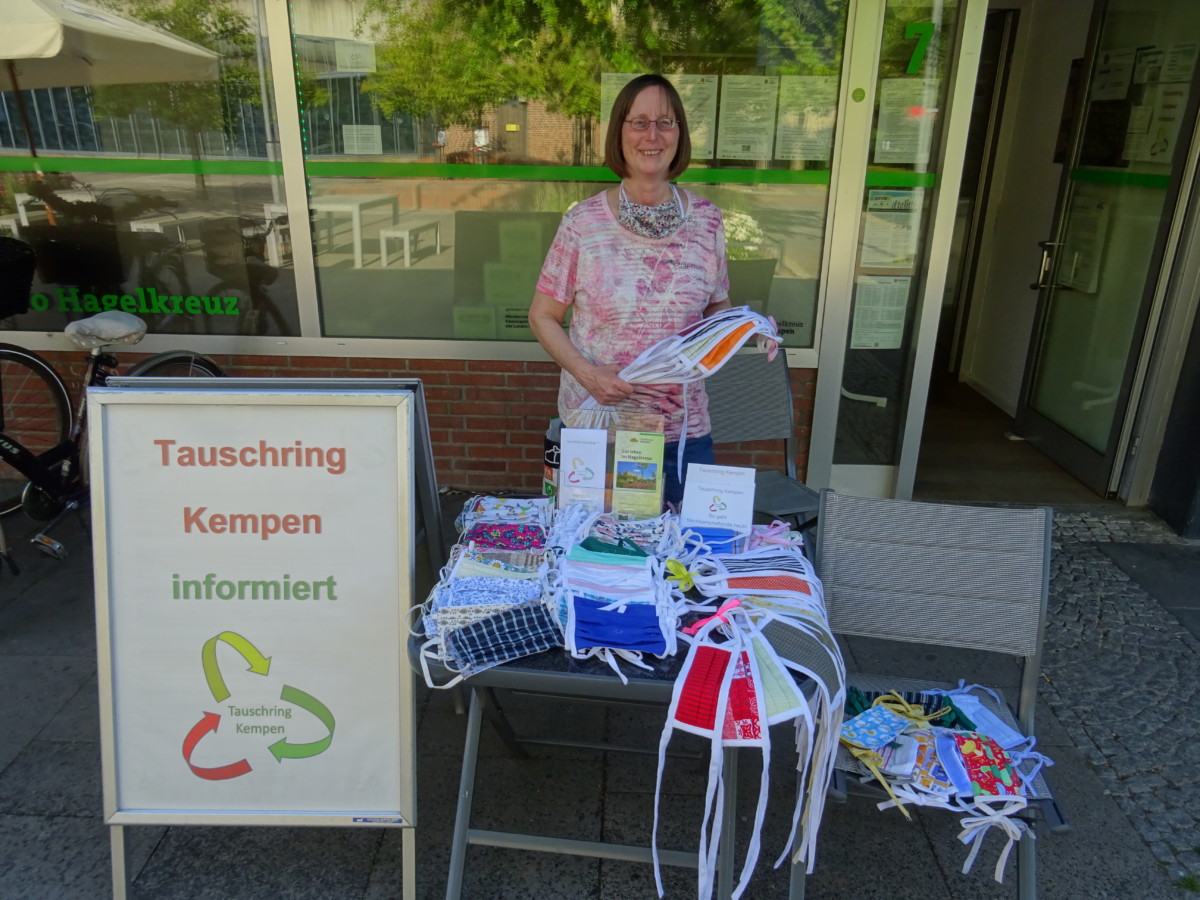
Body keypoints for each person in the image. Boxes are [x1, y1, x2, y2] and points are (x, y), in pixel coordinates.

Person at [529, 73, 731, 509]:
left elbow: (717, 308)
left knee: (685, 561)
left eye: (666, 122)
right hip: (597, 430)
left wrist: (741, 329)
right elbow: (543, 315)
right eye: (639, 122)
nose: (652, 135)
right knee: (591, 559)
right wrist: (587, 374)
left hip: (682, 434)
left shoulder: (708, 222)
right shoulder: (583, 224)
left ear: (680, 134)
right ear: (619, 133)